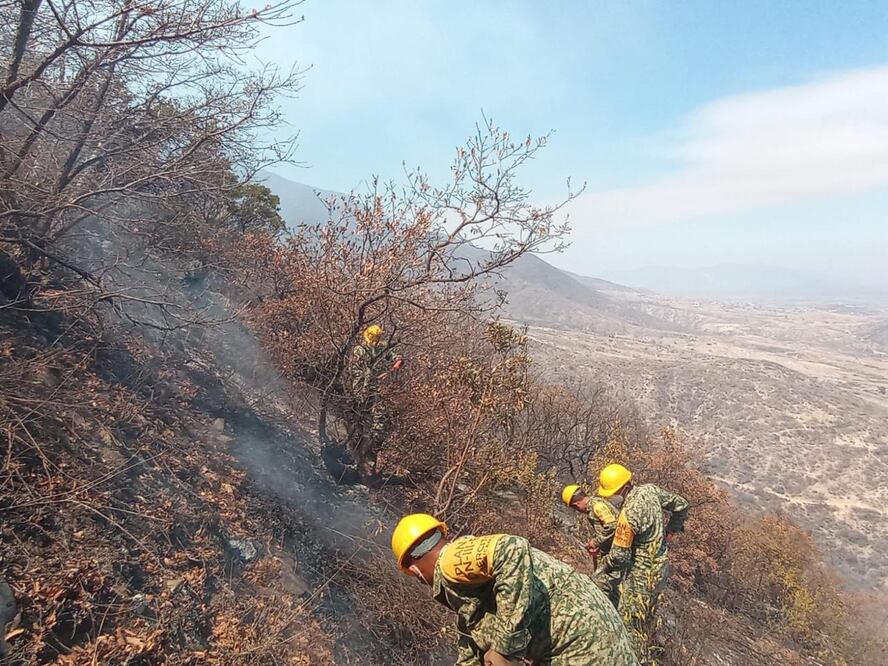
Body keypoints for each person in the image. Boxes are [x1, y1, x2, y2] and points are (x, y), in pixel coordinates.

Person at [390, 513, 639, 666]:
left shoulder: (450, 560)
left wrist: (506, 648)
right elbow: (470, 650)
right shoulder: (467, 597)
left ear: (413, 569)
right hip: (592, 636)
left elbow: (511, 548)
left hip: (581, 645)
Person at [591, 464, 689, 663]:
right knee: (646, 619)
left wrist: (602, 568)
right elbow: (682, 505)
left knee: (632, 628)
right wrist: (672, 528)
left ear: (625, 488)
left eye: (613, 493)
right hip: (660, 568)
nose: (610, 498)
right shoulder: (650, 490)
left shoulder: (628, 517)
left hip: (640, 579)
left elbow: (619, 557)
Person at [349, 324, 402, 475]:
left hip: (372, 392)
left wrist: (393, 369)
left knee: (373, 426)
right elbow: (355, 372)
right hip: (365, 393)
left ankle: (365, 463)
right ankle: (358, 459)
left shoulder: (378, 348)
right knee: (364, 424)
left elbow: (397, 358)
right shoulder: (364, 349)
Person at [561, 484, 622, 606]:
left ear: (576, 505)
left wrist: (595, 542)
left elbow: (613, 526)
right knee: (609, 587)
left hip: (619, 554)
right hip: (612, 553)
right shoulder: (595, 506)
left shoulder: (597, 506)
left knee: (599, 584)